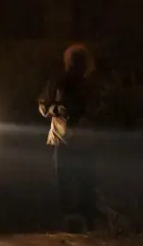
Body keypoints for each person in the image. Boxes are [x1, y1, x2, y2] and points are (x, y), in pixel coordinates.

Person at [37, 43, 98, 232]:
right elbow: (43, 105)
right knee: (64, 179)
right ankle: (68, 218)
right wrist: (57, 109)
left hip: (82, 138)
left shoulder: (88, 85)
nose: (76, 66)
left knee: (84, 179)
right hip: (62, 137)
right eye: (74, 61)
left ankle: (86, 218)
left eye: (79, 62)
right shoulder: (58, 82)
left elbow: (96, 108)